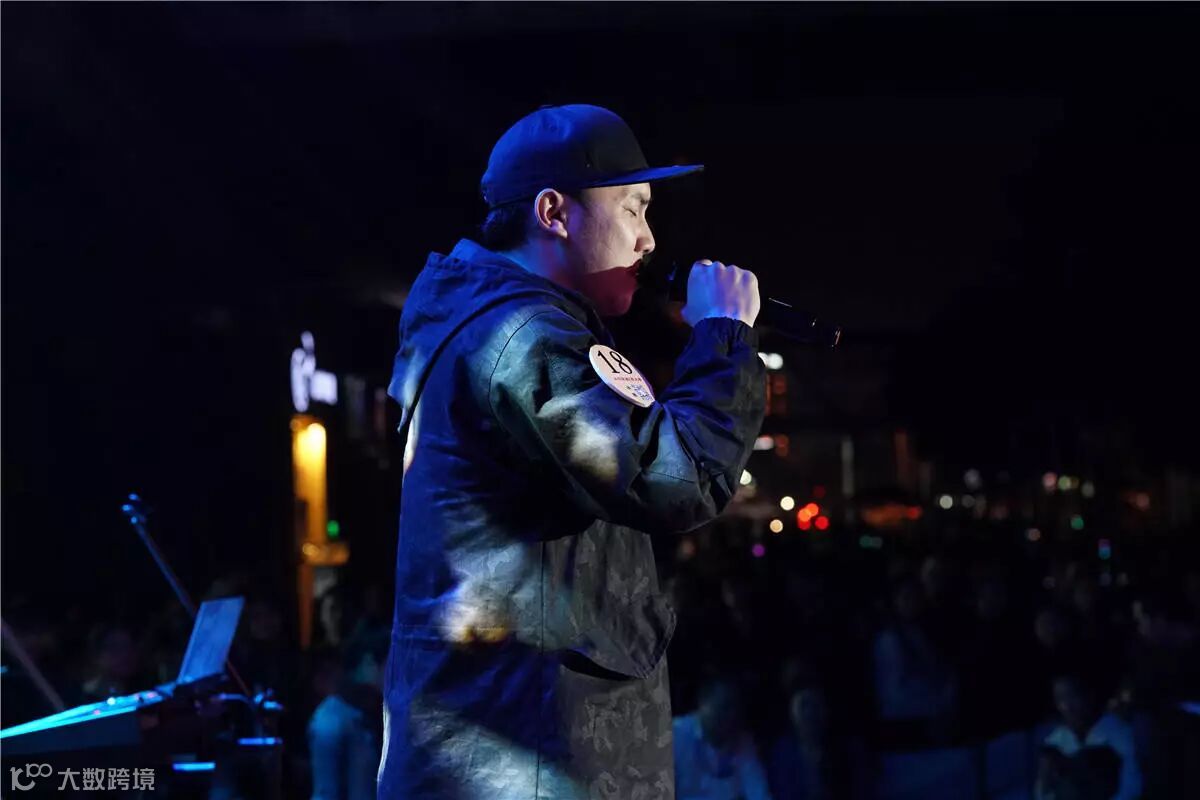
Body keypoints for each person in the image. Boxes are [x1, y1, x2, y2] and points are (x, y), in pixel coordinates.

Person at [378, 104, 767, 798]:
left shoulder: (497, 324)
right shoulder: (522, 338)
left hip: (516, 740)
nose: (648, 239)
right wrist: (724, 335)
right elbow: (676, 477)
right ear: (554, 212)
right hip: (527, 754)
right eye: (633, 208)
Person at [1037, 674, 1142, 800]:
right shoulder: (1054, 741)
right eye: (1060, 699)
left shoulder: (1118, 732)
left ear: (1088, 696)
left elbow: (1132, 785)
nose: (1067, 706)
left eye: (1073, 696)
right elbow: (1042, 792)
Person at [673, 678, 773, 800]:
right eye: (723, 707)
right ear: (703, 703)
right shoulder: (676, 735)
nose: (729, 716)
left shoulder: (743, 743)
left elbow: (758, 791)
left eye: (734, 709)